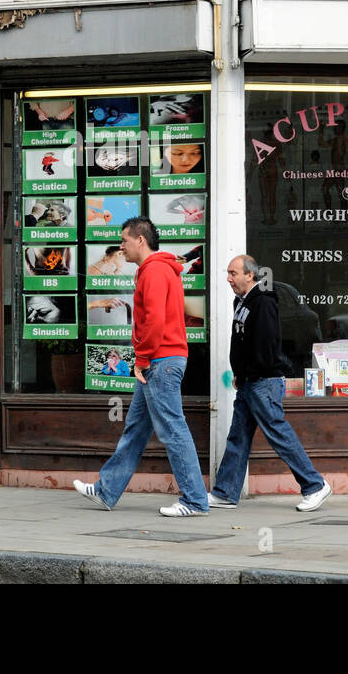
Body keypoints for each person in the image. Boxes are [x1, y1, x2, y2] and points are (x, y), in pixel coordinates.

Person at [73, 217, 210, 516]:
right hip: (160, 359)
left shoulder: (155, 272)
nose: (121, 246)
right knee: (136, 429)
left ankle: (195, 500)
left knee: (173, 429)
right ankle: (106, 489)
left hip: (160, 361)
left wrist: (143, 359)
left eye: (124, 240)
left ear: (140, 240)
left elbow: (154, 321)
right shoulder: (157, 269)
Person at [209, 255, 332, 511]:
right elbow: (243, 343)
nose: (229, 278)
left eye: (233, 273)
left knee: (278, 434)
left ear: (249, 275)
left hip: (262, 382)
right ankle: (225, 492)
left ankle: (315, 485)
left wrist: (251, 373)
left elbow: (265, 344)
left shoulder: (262, 302)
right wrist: (240, 374)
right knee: (238, 437)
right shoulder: (241, 302)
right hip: (249, 382)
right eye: (228, 273)